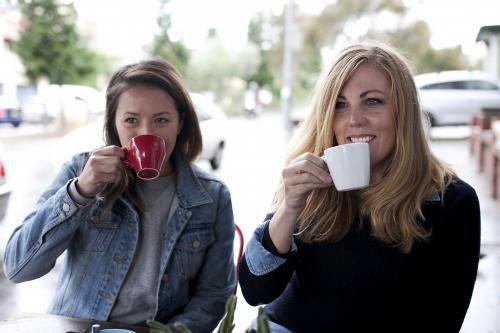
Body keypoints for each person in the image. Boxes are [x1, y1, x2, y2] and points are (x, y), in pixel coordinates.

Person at [239, 42, 480, 333]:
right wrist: (289, 208)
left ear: (403, 112)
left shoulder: (452, 201)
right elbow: (256, 291)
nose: (354, 120)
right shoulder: (310, 184)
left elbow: (444, 319)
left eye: (373, 101)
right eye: (340, 104)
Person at [3, 59, 236, 333]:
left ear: (180, 122)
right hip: (80, 327)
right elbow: (18, 268)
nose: (146, 132)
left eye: (161, 120)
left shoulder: (212, 196)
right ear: (113, 123)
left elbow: (213, 296)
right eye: (131, 120)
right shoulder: (80, 172)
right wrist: (80, 193)